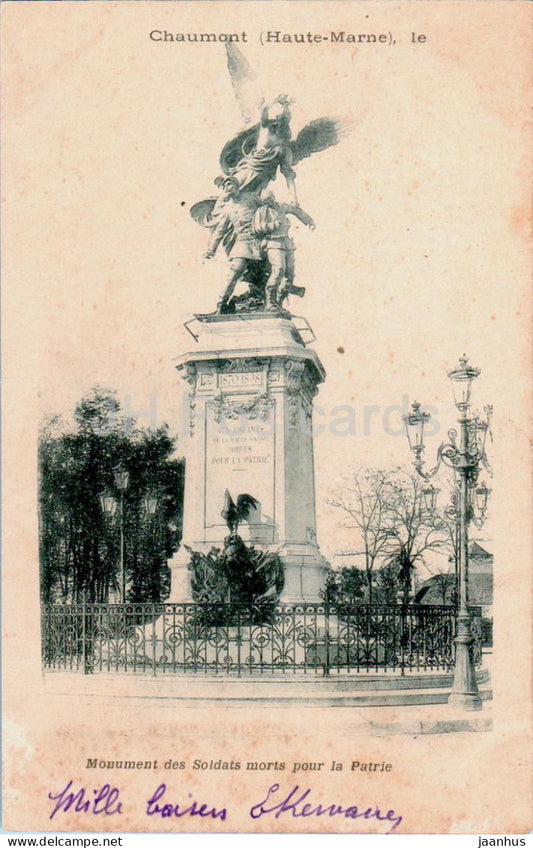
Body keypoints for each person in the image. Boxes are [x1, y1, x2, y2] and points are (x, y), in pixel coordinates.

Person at [203, 177, 262, 313]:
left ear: (237, 187)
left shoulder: (251, 198)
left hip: (261, 242)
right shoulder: (228, 209)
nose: (227, 188)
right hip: (242, 244)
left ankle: (265, 302)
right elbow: (220, 230)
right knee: (234, 273)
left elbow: (268, 207)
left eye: (230, 185)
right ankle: (221, 304)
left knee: (261, 275)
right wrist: (211, 250)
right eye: (225, 187)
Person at [252, 191, 315, 310]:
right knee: (279, 269)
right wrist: (273, 225)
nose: (269, 203)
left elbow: (295, 210)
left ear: (273, 197)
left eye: (270, 200)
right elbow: (257, 228)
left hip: (287, 243)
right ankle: (270, 302)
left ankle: (279, 302)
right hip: (273, 243)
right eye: (266, 201)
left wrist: (309, 221)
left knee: (289, 275)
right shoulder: (261, 211)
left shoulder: (282, 206)